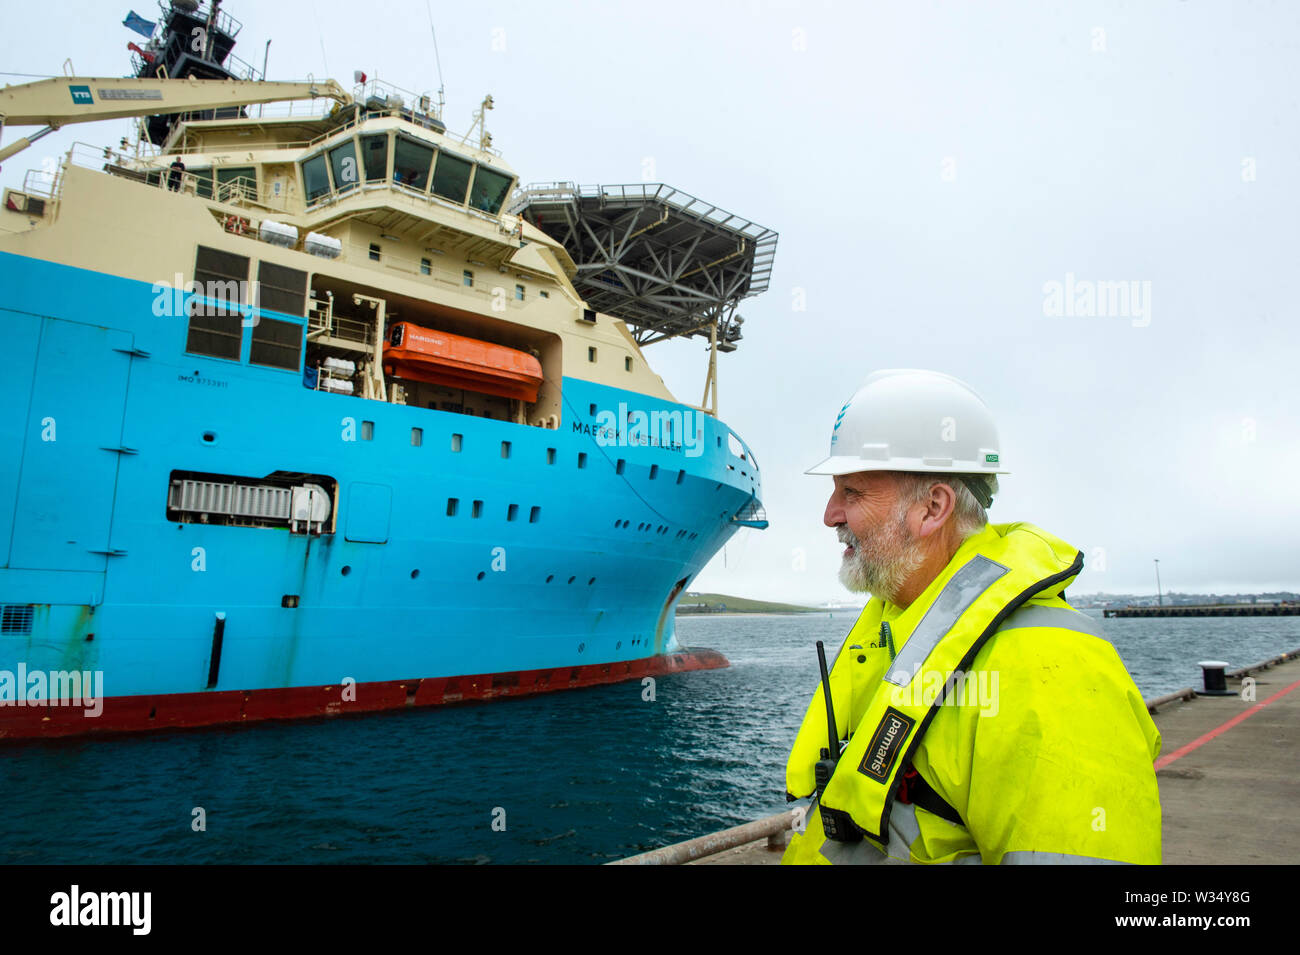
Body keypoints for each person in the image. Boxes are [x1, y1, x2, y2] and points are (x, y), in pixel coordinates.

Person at [782, 369, 1161, 865]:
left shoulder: (1050, 673)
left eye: (851, 492)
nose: (830, 515)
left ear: (932, 507)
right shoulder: (902, 621)